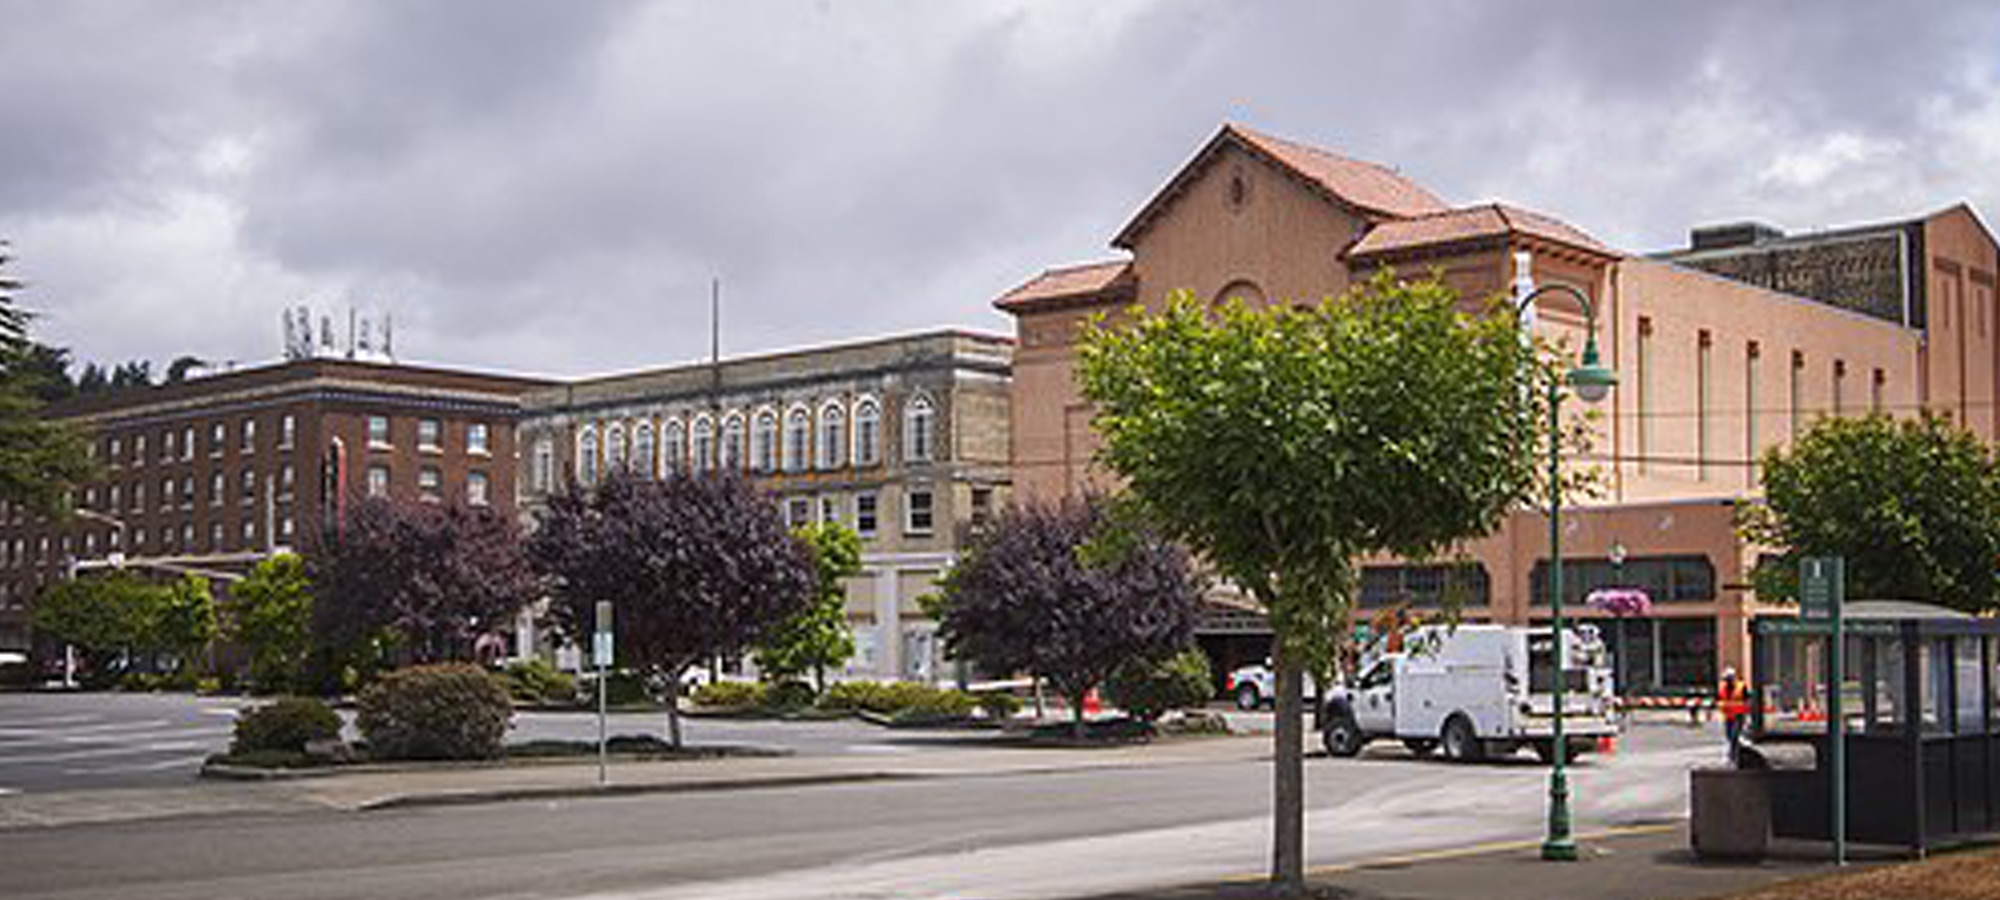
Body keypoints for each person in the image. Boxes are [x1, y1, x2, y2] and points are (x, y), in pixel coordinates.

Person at [1718, 667, 1749, 766]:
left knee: (1734, 736)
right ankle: (1735, 755)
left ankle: (1732, 757)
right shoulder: (1723, 687)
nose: (1726, 681)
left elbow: (1746, 700)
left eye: (1728, 679)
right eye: (1725, 679)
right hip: (1728, 716)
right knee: (1729, 736)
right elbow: (1720, 699)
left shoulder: (1741, 686)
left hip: (1738, 715)